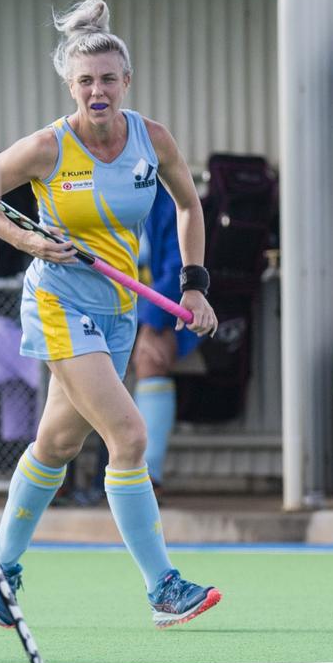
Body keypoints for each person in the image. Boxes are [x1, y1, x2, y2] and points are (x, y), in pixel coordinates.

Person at [0, 0, 222, 631]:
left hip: (118, 307)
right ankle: (163, 585)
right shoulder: (48, 148)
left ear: (125, 81)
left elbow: (189, 207)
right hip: (57, 300)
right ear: (70, 86)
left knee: (56, 442)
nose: (97, 91)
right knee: (128, 437)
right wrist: (28, 241)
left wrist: (194, 286)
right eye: (85, 81)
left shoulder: (151, 139)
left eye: (108, 79)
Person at [133, 181, 204, 491]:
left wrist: (151, 325)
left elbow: (177, 269)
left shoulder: (167, 201)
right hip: (101, 309)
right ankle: (63, 477)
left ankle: (147, 476)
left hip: (159, 310)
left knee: (151, 357)